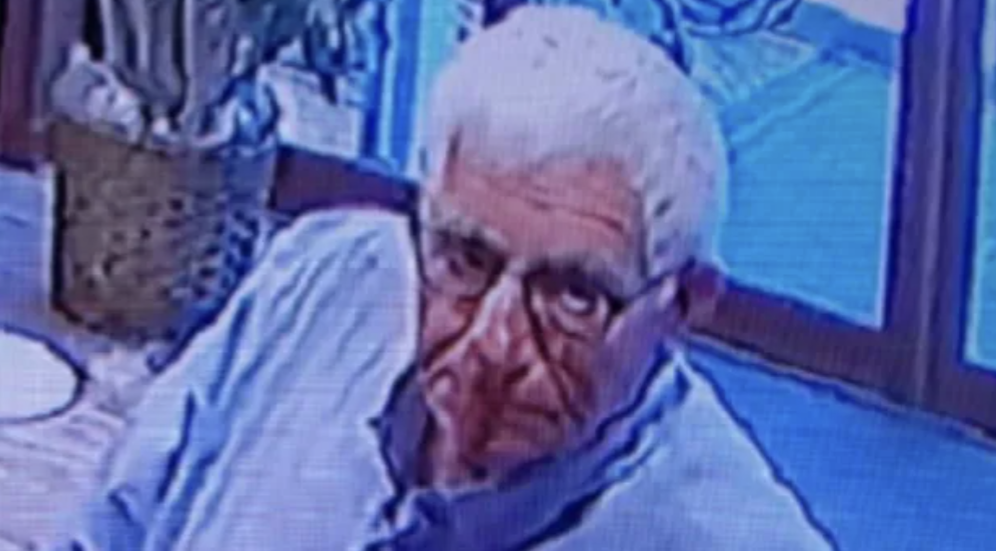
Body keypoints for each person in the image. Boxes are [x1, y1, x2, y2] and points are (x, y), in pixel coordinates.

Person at [60, 6, 836, 550]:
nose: (495, 342)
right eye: (465, 259)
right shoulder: (330, 275)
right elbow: (112, 528)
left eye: (572, 296)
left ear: (684, 305)